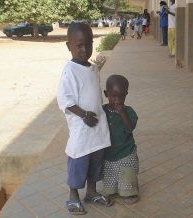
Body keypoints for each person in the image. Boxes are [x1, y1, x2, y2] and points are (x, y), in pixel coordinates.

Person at [57, 22, 113, 215]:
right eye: (79, 45)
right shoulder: (69, 71)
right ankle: (73, 196)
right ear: (69, 46)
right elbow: (65, 100)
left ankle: (92, 192)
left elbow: (95, 94)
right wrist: (84, 115)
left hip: (97, 127)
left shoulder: (93, 68)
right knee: (78, 162)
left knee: (96, 161)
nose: (84, 50)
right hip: (82, 128)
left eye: (88, 44)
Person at [102, 75, 139, 205]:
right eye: (113, 96)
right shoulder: (103, 110)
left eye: (121, 97)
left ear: (126, 94)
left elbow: (130, 128)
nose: (117, 101)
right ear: (106, 94)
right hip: (109, 152)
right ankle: (112, 191)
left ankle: (129, 193)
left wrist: (122, 113)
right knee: (110, 173)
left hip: (126, 151)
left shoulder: (129, 111)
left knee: (127, 172)